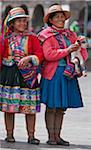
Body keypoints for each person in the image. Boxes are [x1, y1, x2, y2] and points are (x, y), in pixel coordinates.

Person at [38, 3, 88, 146]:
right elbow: (48, 55)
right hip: (53, 74)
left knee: (61, 108)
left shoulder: (70, 34)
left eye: (62, 17)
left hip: (68, 74)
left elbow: (81, 55)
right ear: (51, 20)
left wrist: (81, 46)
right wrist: (67, 50)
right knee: (52, 107)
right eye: (57, 17)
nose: (60, 19)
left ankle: (58, 136)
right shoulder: (45, 35)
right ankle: (51, 136)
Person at [0, 7, 43, 144]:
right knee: (9, 108)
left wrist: (30, 58)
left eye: (24, 21)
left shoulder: (32, 38)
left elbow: (40, 54)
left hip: (28, 75)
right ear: (12, 23)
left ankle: (31, 136)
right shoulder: (5, 39)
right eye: (19, 21)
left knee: (29, 108)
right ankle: (9, 134)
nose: (22, 24)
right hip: (9, 74)